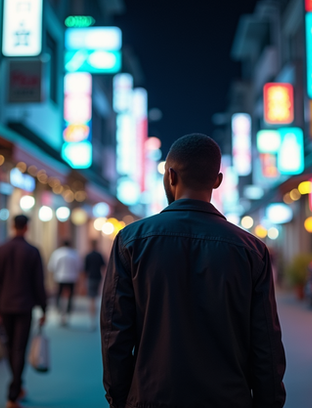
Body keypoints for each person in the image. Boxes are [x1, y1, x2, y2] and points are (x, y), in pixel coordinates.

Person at [101, 133, 286, 408]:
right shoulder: (252, 250)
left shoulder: (131, 241)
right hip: (228, 399)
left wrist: (120, 398)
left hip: (152, 397)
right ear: (218, 181)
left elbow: (115, 334)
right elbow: (266, 343)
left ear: (170, 176)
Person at [0, 215, 47, 408]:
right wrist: (44, 308)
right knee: (19, 348)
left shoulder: (0, 250)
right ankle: (13, 394)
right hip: (24, 306)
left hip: (5, 305)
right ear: (27, 227)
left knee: (9, 346)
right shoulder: (32, 251)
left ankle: (17, 386)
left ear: (13, 226)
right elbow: (39, 283)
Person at [48, 240, 82, 326]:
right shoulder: (74, 253)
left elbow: (52, 267)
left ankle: (59, 309)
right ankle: (68, 311)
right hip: (71, 277)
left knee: (59, 294)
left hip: (60, 277)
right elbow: (79, 267)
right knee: (70, 295)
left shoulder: (57, 253)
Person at [84, 240, 106, 331]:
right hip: (98, 277)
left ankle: (92, 320)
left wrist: (83, 282)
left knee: (91, 298)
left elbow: (85, 269)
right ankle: (96, 318)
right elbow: (104, 266)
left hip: (90, 277)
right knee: (96, 297)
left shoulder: (88, 255)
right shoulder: (99, 255)